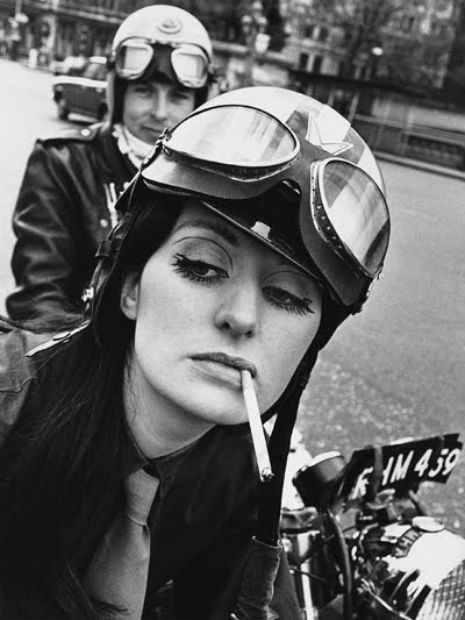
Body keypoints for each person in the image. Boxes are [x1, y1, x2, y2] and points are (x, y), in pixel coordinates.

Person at [0, 87, 390, 619]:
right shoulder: (10, 406)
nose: (243, 317)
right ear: (129, 287)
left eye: (287, 296)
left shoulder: (243, 480)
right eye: (202, 266)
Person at [6, 4, 214, 322]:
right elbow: (38, 300)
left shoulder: (215, 181)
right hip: (80, 342)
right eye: (144, 91)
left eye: (178, 97)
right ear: (118, 93)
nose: (160, 112)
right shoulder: (63, 162)